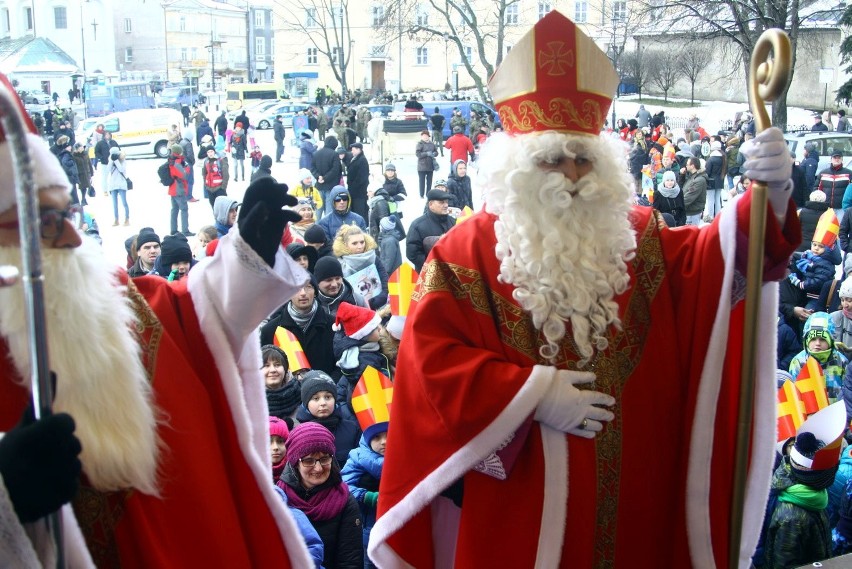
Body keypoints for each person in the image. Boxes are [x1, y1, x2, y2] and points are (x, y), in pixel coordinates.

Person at [367, 12, 800, 568]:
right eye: (551, 158)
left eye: (583, 157)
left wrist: (767, 198)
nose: (570, 173)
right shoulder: (461, 255)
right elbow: (431, 367)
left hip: (641, 498)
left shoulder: (639, 235)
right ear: (516, 166)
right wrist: (532, 396)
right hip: (524, 505)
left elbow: (711, 269)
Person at [0, 80, 313, 567]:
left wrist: (246, 255)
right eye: (41, 223)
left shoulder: (107, 298)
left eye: (66, 213)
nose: (70, 238)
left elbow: (191, 319)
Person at [279, 422, 364, 568]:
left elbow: (350, 562)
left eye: (325, 459)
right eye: (308, 460)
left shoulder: (345, 501)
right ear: (295, 462)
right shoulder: (279, 499)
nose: (318, 468)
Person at [260, 278, 338, 376]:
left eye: (308, 287)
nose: (303, 293)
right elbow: (263, 369)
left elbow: (341, 365)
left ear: (315, 292)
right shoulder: (271, 330)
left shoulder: (334, 325)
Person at [788, 313, 849, 416]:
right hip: (809, 417)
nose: (817, 343)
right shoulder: (798, 362)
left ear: (831, 340)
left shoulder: (842, 362)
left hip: (835, 417)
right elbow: (793, 395)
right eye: (813, 339)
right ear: (806, 340)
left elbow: (847, 394)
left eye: (822, 339)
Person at [295, 372, 361, 468]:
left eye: (328, 397)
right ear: (306, 403)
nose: (323, 403)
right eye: (316, 398)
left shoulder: (352, 429)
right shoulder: (297, 433)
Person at [333, 224, 389, 310]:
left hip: (380, 304)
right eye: (354, 243)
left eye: (362, 242)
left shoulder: (373, 257)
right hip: (355, 309)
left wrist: (378, 299)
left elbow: (385, 280)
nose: (360, 246)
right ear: (345, 244)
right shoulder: (340, 264)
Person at [404, 188, 455, 273]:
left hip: (452, 273)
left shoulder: (453, 222)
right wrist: (434, 265)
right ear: (431, 204)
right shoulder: (417, 225)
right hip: (428, 276)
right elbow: (412, 254)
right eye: (441, 202)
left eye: (446, 202)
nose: (446, 205)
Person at [263, 344, 302, 426]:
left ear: (285, 369)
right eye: (266, 366)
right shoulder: (249, 400)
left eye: (277, 365)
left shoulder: (301, 393)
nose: (273, 370)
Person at [312, 136, 343, 217]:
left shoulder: (316, 153)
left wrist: (318, 177)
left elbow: (312, 168)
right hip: (331, 186)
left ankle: (316, 227)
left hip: (319, 186)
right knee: (329, 212)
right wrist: (325, 178)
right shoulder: (334, 154)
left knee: (318, 211)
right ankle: (327, 228)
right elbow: (335, 170)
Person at [107, 147, 130, 226]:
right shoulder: (110, 159)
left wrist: (116, 161)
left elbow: (121, 169)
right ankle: (116, 220)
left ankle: (127, 219)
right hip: (113, 185)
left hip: (121, 184)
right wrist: (111, 161)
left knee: (124, 203)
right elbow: (107, 170)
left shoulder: (123, 160)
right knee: (114, 204)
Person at [347, 142, 370, 221]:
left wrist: (353, 187)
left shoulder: (362, 160)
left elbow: (361, 178)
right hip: (354, 192)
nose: (352, 151)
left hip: (359, 193)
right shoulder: (356, 159)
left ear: (358, 150)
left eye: (353, 150)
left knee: (360, 212)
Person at [415, 130, 437, 199]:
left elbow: (436, 152)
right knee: (422, 181)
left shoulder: (432, 144)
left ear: (428, 136)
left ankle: (428, 194)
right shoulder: (419, 144)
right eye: (423, 136)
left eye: (426, 136)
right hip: (422, 166)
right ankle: (421, 194)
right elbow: (418, 154)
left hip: (430, 165)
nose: (425, 137)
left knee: (429, 181)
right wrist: (426, 153)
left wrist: (434, 154)